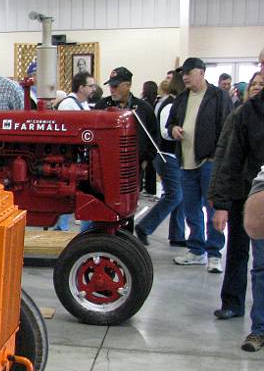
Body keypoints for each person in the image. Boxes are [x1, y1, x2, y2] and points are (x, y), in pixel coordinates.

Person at [207, 72, 264, 328]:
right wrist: (220, 202)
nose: (258, 88)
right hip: (244, 193)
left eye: (262, 84)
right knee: (239, 251)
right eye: (255, 84)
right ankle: (232, 302)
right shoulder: (241, 115)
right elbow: (225, 159)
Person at [165, 57, 232, 271]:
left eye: (189, 71)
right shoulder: (182, 98)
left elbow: (227, 128)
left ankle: (214, 253)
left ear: (201, 72)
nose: (184, 76)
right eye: (182, 72)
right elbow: (171, 123)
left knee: (212, 208)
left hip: (209, 162)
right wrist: (174, 129)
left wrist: (217, 158)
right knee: (191, 207)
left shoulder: (218, 96)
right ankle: (196, 250)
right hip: (186, 162)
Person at [135, 71, 188, 246]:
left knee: (178, 196)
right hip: (167, 156)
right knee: (174, 196)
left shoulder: (173, 103)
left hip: (173, 156)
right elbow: (165, 132)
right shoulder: (169, 105)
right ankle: (145, 225)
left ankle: (178, 235)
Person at [95, 67, 158, 209]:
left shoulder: (143, 109)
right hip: (106, 167)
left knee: (128, 207)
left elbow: (153, 137)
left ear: (128, 85)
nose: (112, 89)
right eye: (110, 86)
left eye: (115, 86)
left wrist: (145, 160)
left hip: (133, 168)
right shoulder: (102, 106)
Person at [53, 72, 94, 231]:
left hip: (81, 156)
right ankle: (61, 227)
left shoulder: (83, 105)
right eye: (90, 85)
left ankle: (83, 227)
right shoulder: (68, 105)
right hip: (71, 157)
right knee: (70, 193)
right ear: (81, 87)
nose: (93, 89)